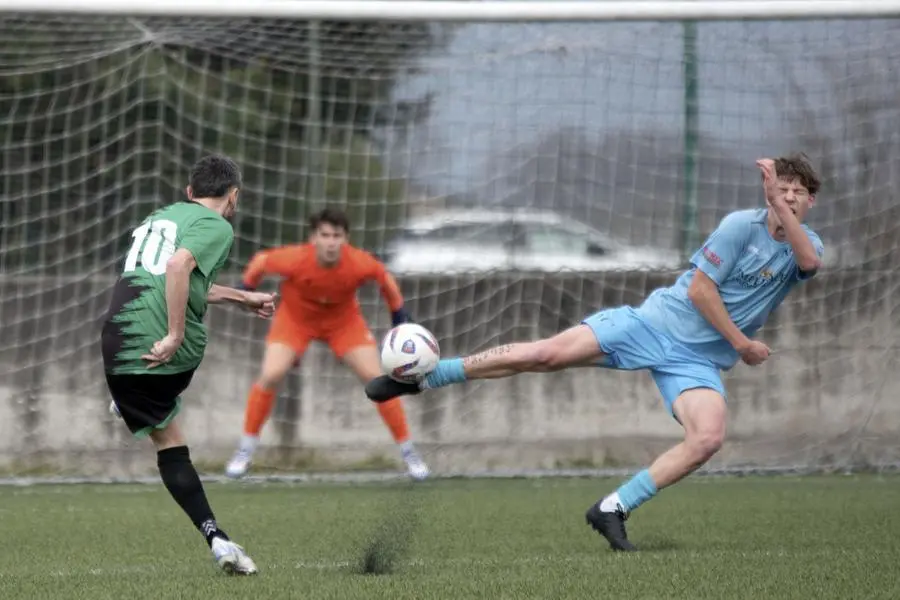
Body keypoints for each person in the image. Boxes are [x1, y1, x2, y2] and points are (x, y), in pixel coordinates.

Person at [365, 155, 825, 551]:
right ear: (768, 191)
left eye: (797, 193)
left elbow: (808, 263)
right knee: (546, 355)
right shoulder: (737, 227)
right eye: (780, 188)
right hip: (651, 323)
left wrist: (780, 212)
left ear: (811, 202)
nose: (787, 197)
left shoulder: (807, 246)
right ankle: (424, 378)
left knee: (707, 438)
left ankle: (613, 508)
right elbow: (702, 291)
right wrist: (742, 343)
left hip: (696, 363)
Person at [103, 154, 275, 574]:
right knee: (191, 340)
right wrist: (175, 335)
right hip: (162, 350)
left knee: (167, 437)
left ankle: (219, 540)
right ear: (233, 195)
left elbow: (176, 276)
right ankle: (217, 538)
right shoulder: (218, 225)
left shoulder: (160, 217)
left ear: (189, 192)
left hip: (115, 342)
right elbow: (179, 267)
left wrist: (242, 296)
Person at [224, 207, 429, 481]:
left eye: (337, 235)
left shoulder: (357, 262)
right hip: (295, 321)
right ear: (314, 237)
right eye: (325, 235)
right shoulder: (296, 259)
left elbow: (383, 277)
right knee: (271, 374)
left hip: (343, 323)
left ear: (345, 239)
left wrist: (398, 314)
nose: (331, 242)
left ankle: (409, 453)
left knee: (377, 380)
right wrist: (245, 287)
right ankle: (245, 450)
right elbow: (261, 261)